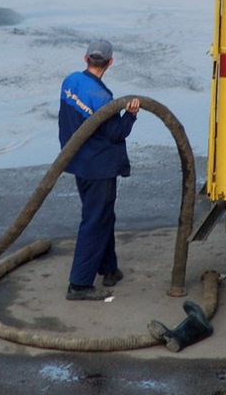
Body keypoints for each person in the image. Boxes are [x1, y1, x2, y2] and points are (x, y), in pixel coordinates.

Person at [58, 39, 140, 301]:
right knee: (95, 221)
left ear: (85, 59)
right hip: (99, 168)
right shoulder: (103, 99)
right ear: (110, 62)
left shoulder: (70, 81)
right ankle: (79, 284)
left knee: (103, 216)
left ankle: (109, 269)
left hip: (78, 161)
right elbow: (115, 134)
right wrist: (130, 115)